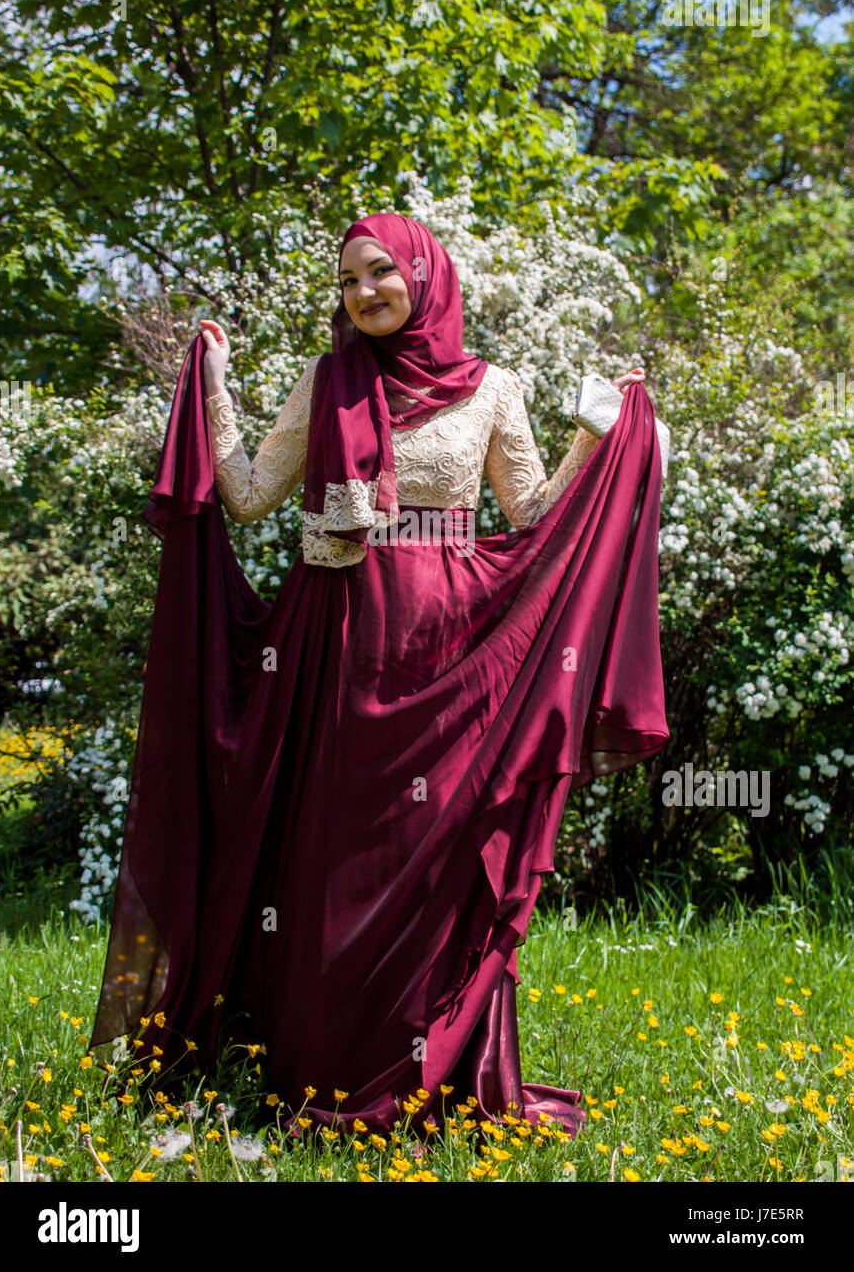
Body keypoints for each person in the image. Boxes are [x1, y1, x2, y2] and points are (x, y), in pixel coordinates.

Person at [89, 212, 669, 1141]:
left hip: (454, 645)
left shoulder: (494, 389)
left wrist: (598, 435)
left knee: (434, 855)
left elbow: (530, 510)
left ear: (424, 278)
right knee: (333, 858)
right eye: (350, 280)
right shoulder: (328, 379)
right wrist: (210, 385)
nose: (364, 293)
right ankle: (318, 1066)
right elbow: (244, 495)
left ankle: (432, 1067)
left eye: (380, 274)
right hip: (339, 641)